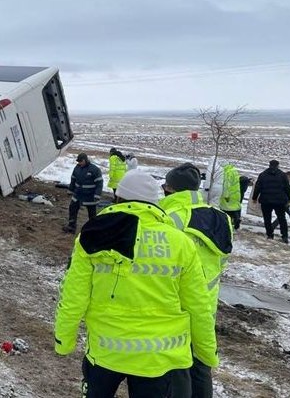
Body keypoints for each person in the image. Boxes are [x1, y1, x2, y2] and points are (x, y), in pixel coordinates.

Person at [55, 170, 218, 398]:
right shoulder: (180, 243)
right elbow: (199, 307)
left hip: (106, 352)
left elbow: (74, 295)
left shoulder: (95, 233)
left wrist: (64, 340)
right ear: (155, 202)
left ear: (118, 197)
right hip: (162, 359)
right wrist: (206, 353)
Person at [159, 163, 233, 398]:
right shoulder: (222, 219)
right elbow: (221, 262)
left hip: (174, 307)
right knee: (201, 365)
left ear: (171, 189)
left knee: (175, 369)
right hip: (206, 306)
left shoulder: (168, 219)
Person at [251, 160, 290, 244]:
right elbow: (287, 188)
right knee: (282, 219)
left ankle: (270, 235)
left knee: (267, 218)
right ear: (278, 166)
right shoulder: (282, 175)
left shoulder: (263, 175)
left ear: (269, 165)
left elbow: (257, 187)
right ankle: (284, 236)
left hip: (266, 200)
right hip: (280, 201)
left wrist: (254, 198)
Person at [62, 153, 103, 233]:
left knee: (92, 214)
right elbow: (73, 179)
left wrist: (97, 195)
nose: (79, 163)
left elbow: (99, 183)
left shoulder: (95, 170)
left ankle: (93, 230)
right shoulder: (77, 168)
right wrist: (70, 190)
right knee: (72, 208)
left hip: (90, 196)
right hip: (78, 195)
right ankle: (71, 226)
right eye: (78, 162)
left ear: (85, 160)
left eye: (80, 161)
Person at [217, 162, 242, 230]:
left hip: (229, 194)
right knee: (234, 208)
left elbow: (226, 185)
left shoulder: (228, 173)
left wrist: (226, 195)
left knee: (227, 210)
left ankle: (228, 224)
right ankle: (237, 220)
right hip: (236, 194)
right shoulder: (234, 170)